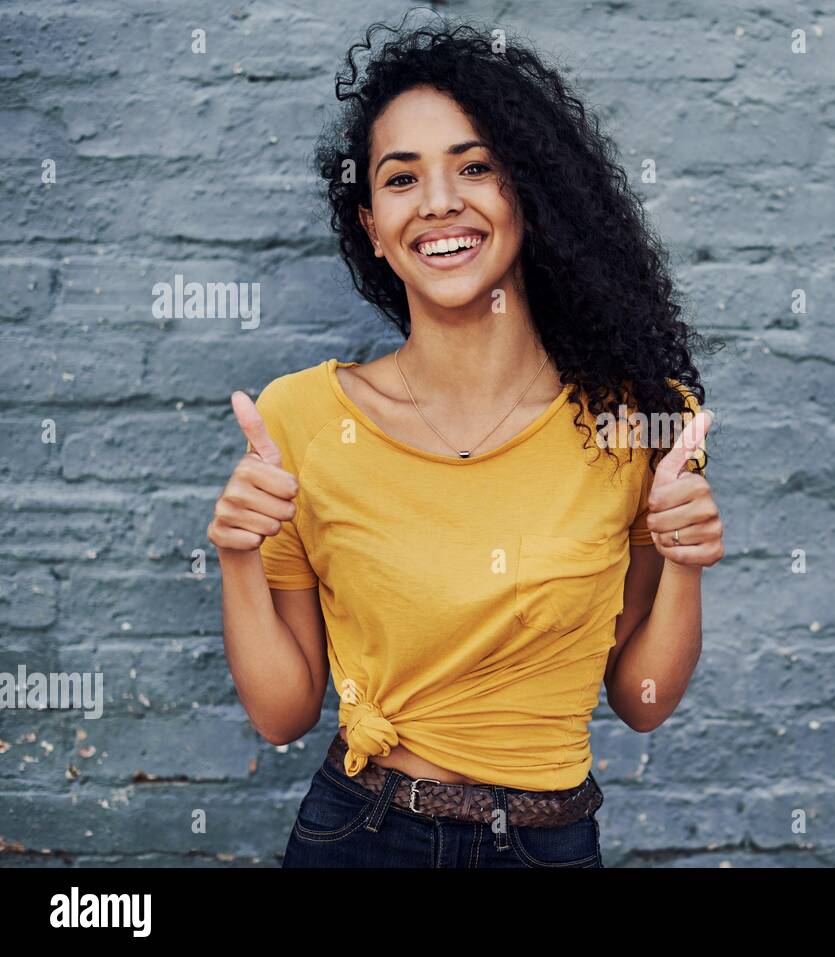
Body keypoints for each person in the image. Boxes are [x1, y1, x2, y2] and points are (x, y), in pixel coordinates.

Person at [207, 14, 724, 868]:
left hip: (549, 842)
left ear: (528, 192)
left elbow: (642, 700)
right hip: (361, 833)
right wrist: (233, 553)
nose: (440, 201)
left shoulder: (637, 419)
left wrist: (686, 561)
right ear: (373, 225)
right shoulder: (299, 417)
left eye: (474, 167)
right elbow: (282, 713)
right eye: (402, 178)